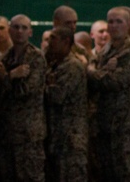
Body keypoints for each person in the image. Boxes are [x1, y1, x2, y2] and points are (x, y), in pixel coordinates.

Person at [87, 7, 130, 182]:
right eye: (110, 21)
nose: (113, 25)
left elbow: (115, 82)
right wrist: (102, 71)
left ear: (128, 25)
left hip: (125, 123)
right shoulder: (106, 49)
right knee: (107, 172)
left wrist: (92, 71)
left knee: (127, 171)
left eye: (119, 21)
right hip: (105, 121)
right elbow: (97, 80)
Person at [0, 14, 47, 182]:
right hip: (8, 131)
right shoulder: (5, 58)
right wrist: (12, 76)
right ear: (10, 30)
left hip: (28, 133)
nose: (19, 31)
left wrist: (6, 77)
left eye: (24, 28)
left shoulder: (36, 58)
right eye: (16, 27)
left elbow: (25, 91)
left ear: (31, 32)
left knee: (30, 176)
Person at [44, 26, 88, 182]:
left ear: (66, 41)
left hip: (70, 138)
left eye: (53, 38)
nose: (49, 43)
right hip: (58, 136)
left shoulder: (72, 66)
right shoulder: (56, 65)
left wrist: (44, 87)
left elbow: (57, 96)